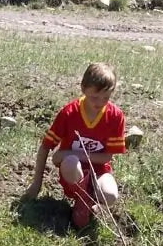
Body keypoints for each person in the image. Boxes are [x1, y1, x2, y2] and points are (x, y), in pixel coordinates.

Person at [23, 62, 126, 228]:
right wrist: (37, 184)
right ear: (83, 88)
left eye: (106, 98)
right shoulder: (69, 113)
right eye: (94, 97)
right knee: (71, 162)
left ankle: (88, 201)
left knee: (110, 195)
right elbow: (45, 146)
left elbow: (107, 156)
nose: (100, 102)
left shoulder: (115, 116)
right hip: (71, 172)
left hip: (98, 171)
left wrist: (69, 153)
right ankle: (81, 198)